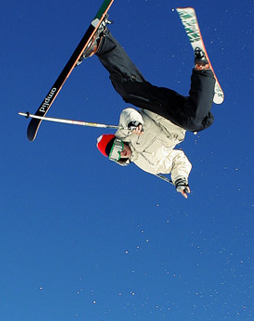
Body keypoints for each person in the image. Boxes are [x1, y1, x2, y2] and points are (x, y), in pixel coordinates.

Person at [82, 26, 216, 197]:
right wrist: (180, 179)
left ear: (118, 140)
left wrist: (134, 122)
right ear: (117, 161)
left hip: (157, 107)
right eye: (115, 155)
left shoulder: (126, 133)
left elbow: (127, 114)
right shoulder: (149, 166)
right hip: (177, 121)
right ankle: (203, 73)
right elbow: (178, 160)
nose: (120, 151)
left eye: (116, 146)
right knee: (193, 122)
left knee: (128, 91)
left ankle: (102, 43)